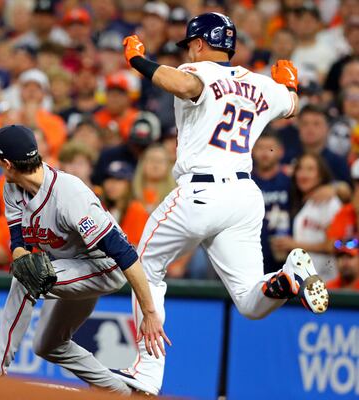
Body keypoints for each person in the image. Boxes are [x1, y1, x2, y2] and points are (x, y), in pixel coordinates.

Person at [114, 13, 329, 395]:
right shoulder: (263, 85)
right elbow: (292, 103)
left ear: (198, 43)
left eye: (189, 45)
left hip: (200, 192)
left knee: (143, 268)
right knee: (249, 300)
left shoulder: (200, 72)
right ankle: (287, 278)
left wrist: (137, 62)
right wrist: (289, 84)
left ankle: (148, 372)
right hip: (244, 197)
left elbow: (180, 83)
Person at [0, 125, 167, 395]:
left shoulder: (70, 196)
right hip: (68, 266)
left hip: (104, 266)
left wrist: (149, 312)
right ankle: (119, 391)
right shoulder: (13, 188)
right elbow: (19, 240)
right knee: (48, 345)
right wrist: (20, 256)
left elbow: (125, 254)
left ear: (7, 164)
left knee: (25, 279)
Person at [272, 153, 342, 282]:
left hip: (325, 281)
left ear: (320, 175)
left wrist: (294, 245)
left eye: (310, 169)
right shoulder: (296, 199)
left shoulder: (330, 201)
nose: (303, 174)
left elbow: (333, 245)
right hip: (302, 280)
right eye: (300, 169)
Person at [252, 131, 292, 274]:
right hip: (252, 250)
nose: (265, 153)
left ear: (281, 152)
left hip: (284, 253)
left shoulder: (292, 181)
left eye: (270, 148)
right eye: (260, 148)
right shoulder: (244, 182)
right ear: (252, 150)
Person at [101, 161, 149, 247]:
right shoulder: (101, 206)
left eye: (118, 179)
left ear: (129, 184)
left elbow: (137, 246)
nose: (112, 184)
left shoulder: (137, 209)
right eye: (109, 178)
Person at [132, 143, 176, 213]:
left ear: (168, 165)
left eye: (160, 161)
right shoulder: (130, 193)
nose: (155, 165)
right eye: (151, 160)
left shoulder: (175, 196)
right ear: (142, 163)